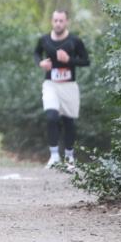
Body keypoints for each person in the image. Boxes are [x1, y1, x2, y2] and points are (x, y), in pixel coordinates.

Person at [34, 9, 90, 168]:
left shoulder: (75, 41)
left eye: (61, 21)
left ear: (67, 22)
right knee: (51, 117)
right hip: (50, 84)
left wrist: (69, 60)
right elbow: (36, 53)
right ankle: (54, 156)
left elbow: (86, 61)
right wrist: (40, 63)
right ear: (52, 21)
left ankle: (70, 157)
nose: (58, 23)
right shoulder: (44, 39)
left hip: (69, 85)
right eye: (55, 20)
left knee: (68, 121)